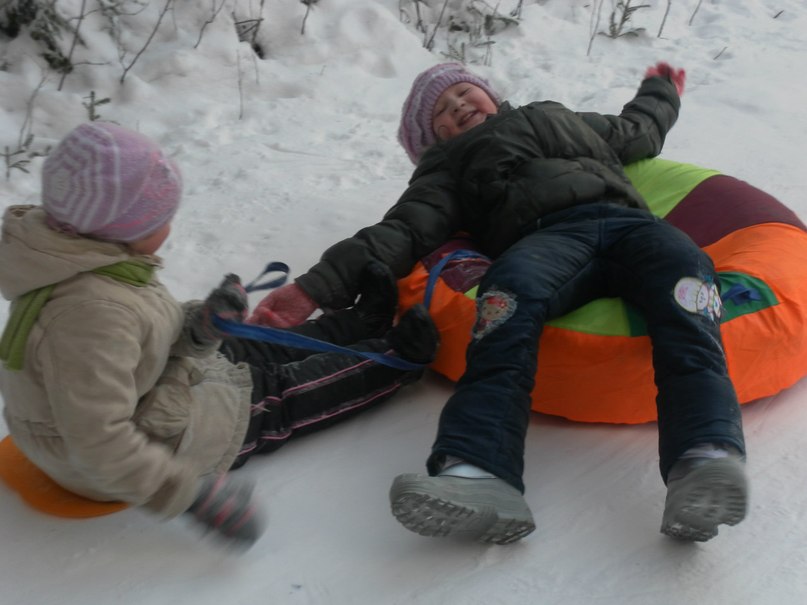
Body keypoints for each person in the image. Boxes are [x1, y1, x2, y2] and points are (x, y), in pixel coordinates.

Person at [249, 61, 748, 545]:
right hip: (544, 241)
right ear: (433, 138)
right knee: (504, 306)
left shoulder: (557, 116)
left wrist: (661, 90)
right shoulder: (445, 169)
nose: (459, 104)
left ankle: (703, 461)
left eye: (464, 91)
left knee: (688, 290)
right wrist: (313, 289)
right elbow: (401, 231)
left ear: (487, 92)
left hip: (631, 225)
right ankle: (477, 471)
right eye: (442, 110)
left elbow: (638, 130)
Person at [0, 122, 438, 549]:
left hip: (150, 385)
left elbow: (144, 330)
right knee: (276, 395)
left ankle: (361, 323)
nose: (169, 225)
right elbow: (98, 441)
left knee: (246, 344)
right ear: (120, 229)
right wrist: (190, 496)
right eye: (160, 218)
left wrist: (202, 323)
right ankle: (394, 357)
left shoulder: (80, 258)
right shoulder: (89, 315)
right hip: (141, 445)